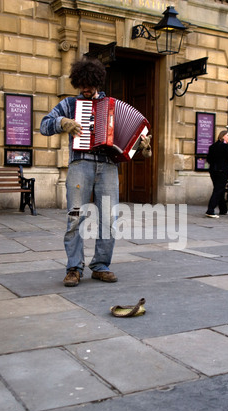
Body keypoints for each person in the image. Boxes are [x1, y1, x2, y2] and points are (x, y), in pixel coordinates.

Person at [40, 56, 151, 287]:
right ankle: (74, 267)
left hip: (109, 167)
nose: (85, 90)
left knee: (109, 218)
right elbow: (43, 125)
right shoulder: (70, 104)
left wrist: (142, 145)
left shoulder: (112, 104)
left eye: (89, 85)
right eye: (81, 85)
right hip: (80, 165)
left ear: (97, 82)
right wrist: (62, 122)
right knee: (75, 216)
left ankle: (101, 265)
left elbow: (128, 142)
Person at [205, 130, 228, 218]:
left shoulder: (212, 146)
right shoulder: (226, 147)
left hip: (213, 172)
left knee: (219, 190)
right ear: (223, 136)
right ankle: (210, 210)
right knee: (218, 190)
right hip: (222, 172)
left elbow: (209, 159)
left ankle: (223, 209)